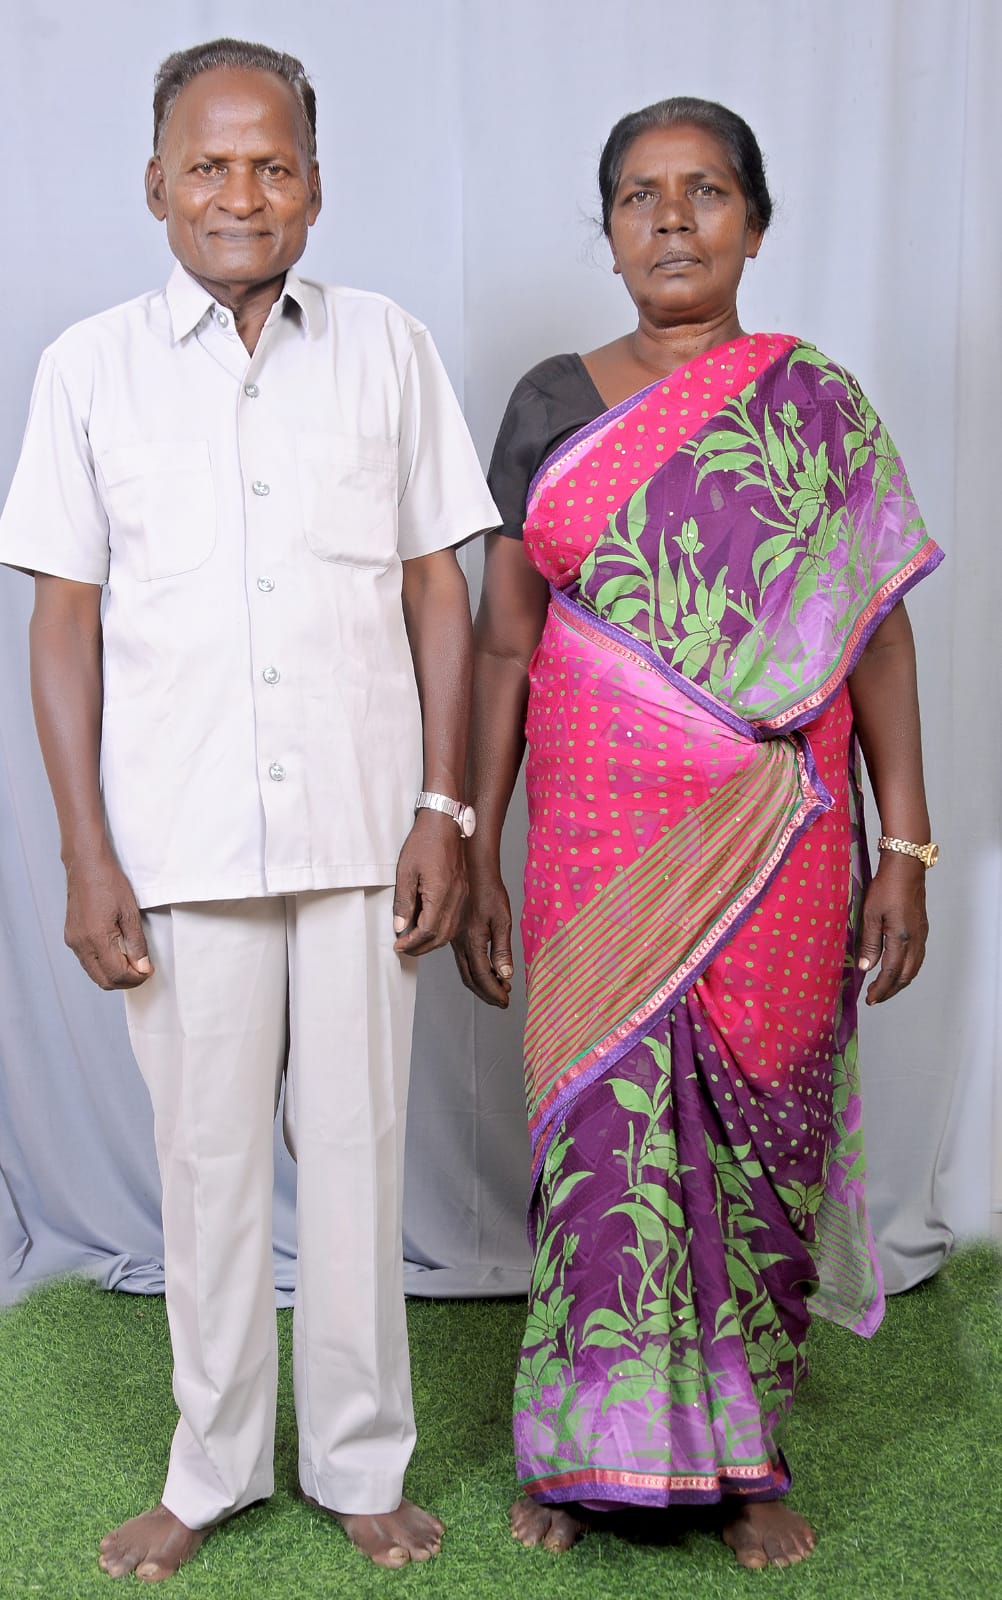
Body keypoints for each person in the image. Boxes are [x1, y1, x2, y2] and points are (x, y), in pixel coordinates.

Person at [0, 38, 497, 1580]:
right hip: (179, 841)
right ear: (154, 186)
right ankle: (209, 1472)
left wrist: (445, 811)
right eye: (207, 165)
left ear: (316, 187)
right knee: (206, 1171)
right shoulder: (88, 369)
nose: (240, 193)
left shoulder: (389, 346)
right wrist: (87, 853)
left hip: (364, 835)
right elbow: (64, 621)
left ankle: (358, 1462)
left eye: (272, 164)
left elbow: (441, 589)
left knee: (356, 1155)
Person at [454, 97, 940, 1571]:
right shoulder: (551, 403)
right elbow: (502, 643)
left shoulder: (816, 402)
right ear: (607, 232)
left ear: (755, 222)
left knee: (759, 1132)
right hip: (599, 839)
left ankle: (747, 1455)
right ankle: (580, 1445)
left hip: (782, 839)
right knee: (603, 1132)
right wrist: (473, 841)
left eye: (706, 190)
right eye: (639, 196)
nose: (672, 218)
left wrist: (905, 847)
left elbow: (875, 635)